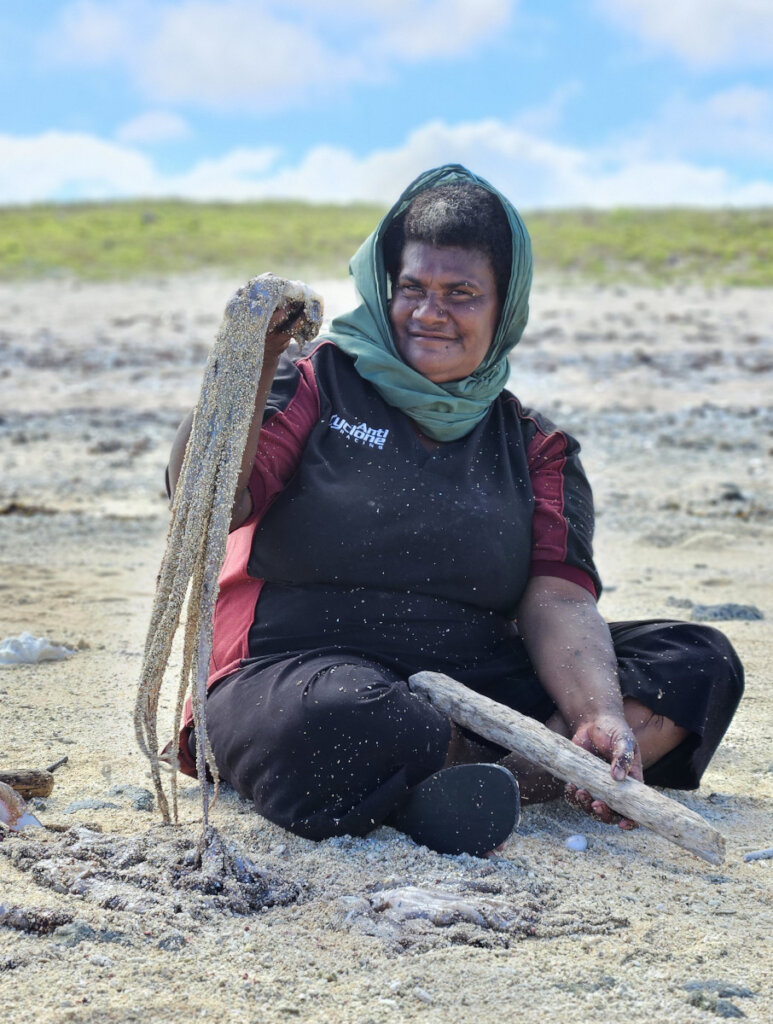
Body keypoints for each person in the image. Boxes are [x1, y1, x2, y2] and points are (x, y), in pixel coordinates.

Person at [167, 165, 743, 857]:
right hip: (296, 669)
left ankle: (518, 770)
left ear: (505, 308)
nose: (427, 313)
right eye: (412, 288)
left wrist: (597, 713)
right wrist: (250, 363)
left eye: (461, 294)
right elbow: (201, 502)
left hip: (472, 679)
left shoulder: (534, 445)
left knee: (696, 661)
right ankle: (516, 769)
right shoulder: (313, 383)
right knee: (348, 720)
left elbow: (558, 598)